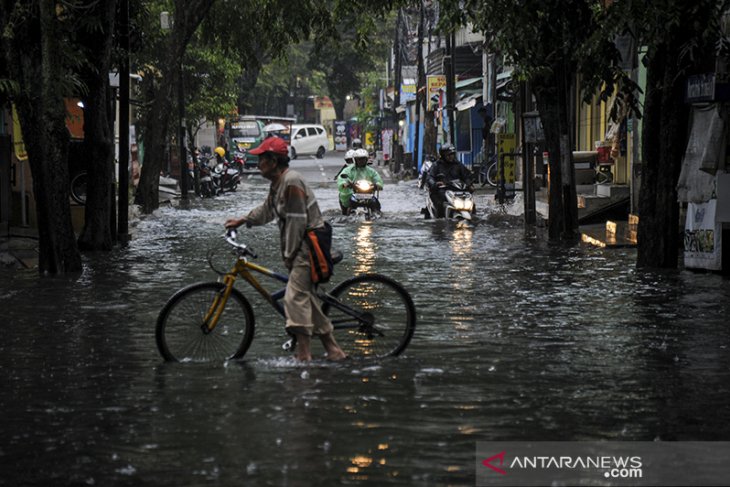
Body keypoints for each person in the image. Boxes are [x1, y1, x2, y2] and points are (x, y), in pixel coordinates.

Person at [224, 136, 347, 362]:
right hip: (300, 245)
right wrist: (242, 220)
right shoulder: (278, 184)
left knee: (293, 298)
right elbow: (267, 210)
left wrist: (289, 255)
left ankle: (304, 354)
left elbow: (297, 222)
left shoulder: (292, 182)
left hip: (307, 247)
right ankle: (333, 349)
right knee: (305, 297)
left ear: (273, 161)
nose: (258, 164)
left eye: (262, 159)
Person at [426, 143, 473, 218]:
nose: (451, 157)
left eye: (452, 154)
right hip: (441, 191)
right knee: (439, 203)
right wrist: (435, 184)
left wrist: (469, 184)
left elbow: (466, 175)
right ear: (443, 155)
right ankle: (439, 222)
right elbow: (430, 177)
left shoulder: (458, 165)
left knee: (471, 202)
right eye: (448, 155)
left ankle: (473, 216)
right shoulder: (437, 165)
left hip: (457, 191)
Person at [338, 148, 384, 215]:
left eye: (363, 159)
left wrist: (377, 185)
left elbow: (377, 178)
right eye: (359, 159)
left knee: (376, 205)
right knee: (346, 208)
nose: (361, 161)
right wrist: (344, 184)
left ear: (366, 159)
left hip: (368, 193)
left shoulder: (371, 171)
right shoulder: (349, 170)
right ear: (355, 160)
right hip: (352, 192)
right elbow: (341, 178)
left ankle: (377, 215)